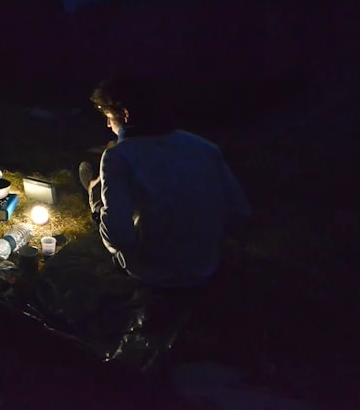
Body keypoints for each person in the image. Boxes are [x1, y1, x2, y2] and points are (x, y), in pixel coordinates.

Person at [80, 75, 252, 289]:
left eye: (108, 117)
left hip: (155, 272)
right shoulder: (204, 147)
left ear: (125, 114)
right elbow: (240, 212)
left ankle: (93, 194)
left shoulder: (118, 156)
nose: (107, 124)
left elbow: (119, 236)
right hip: (206, 266)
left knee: (100, 200)